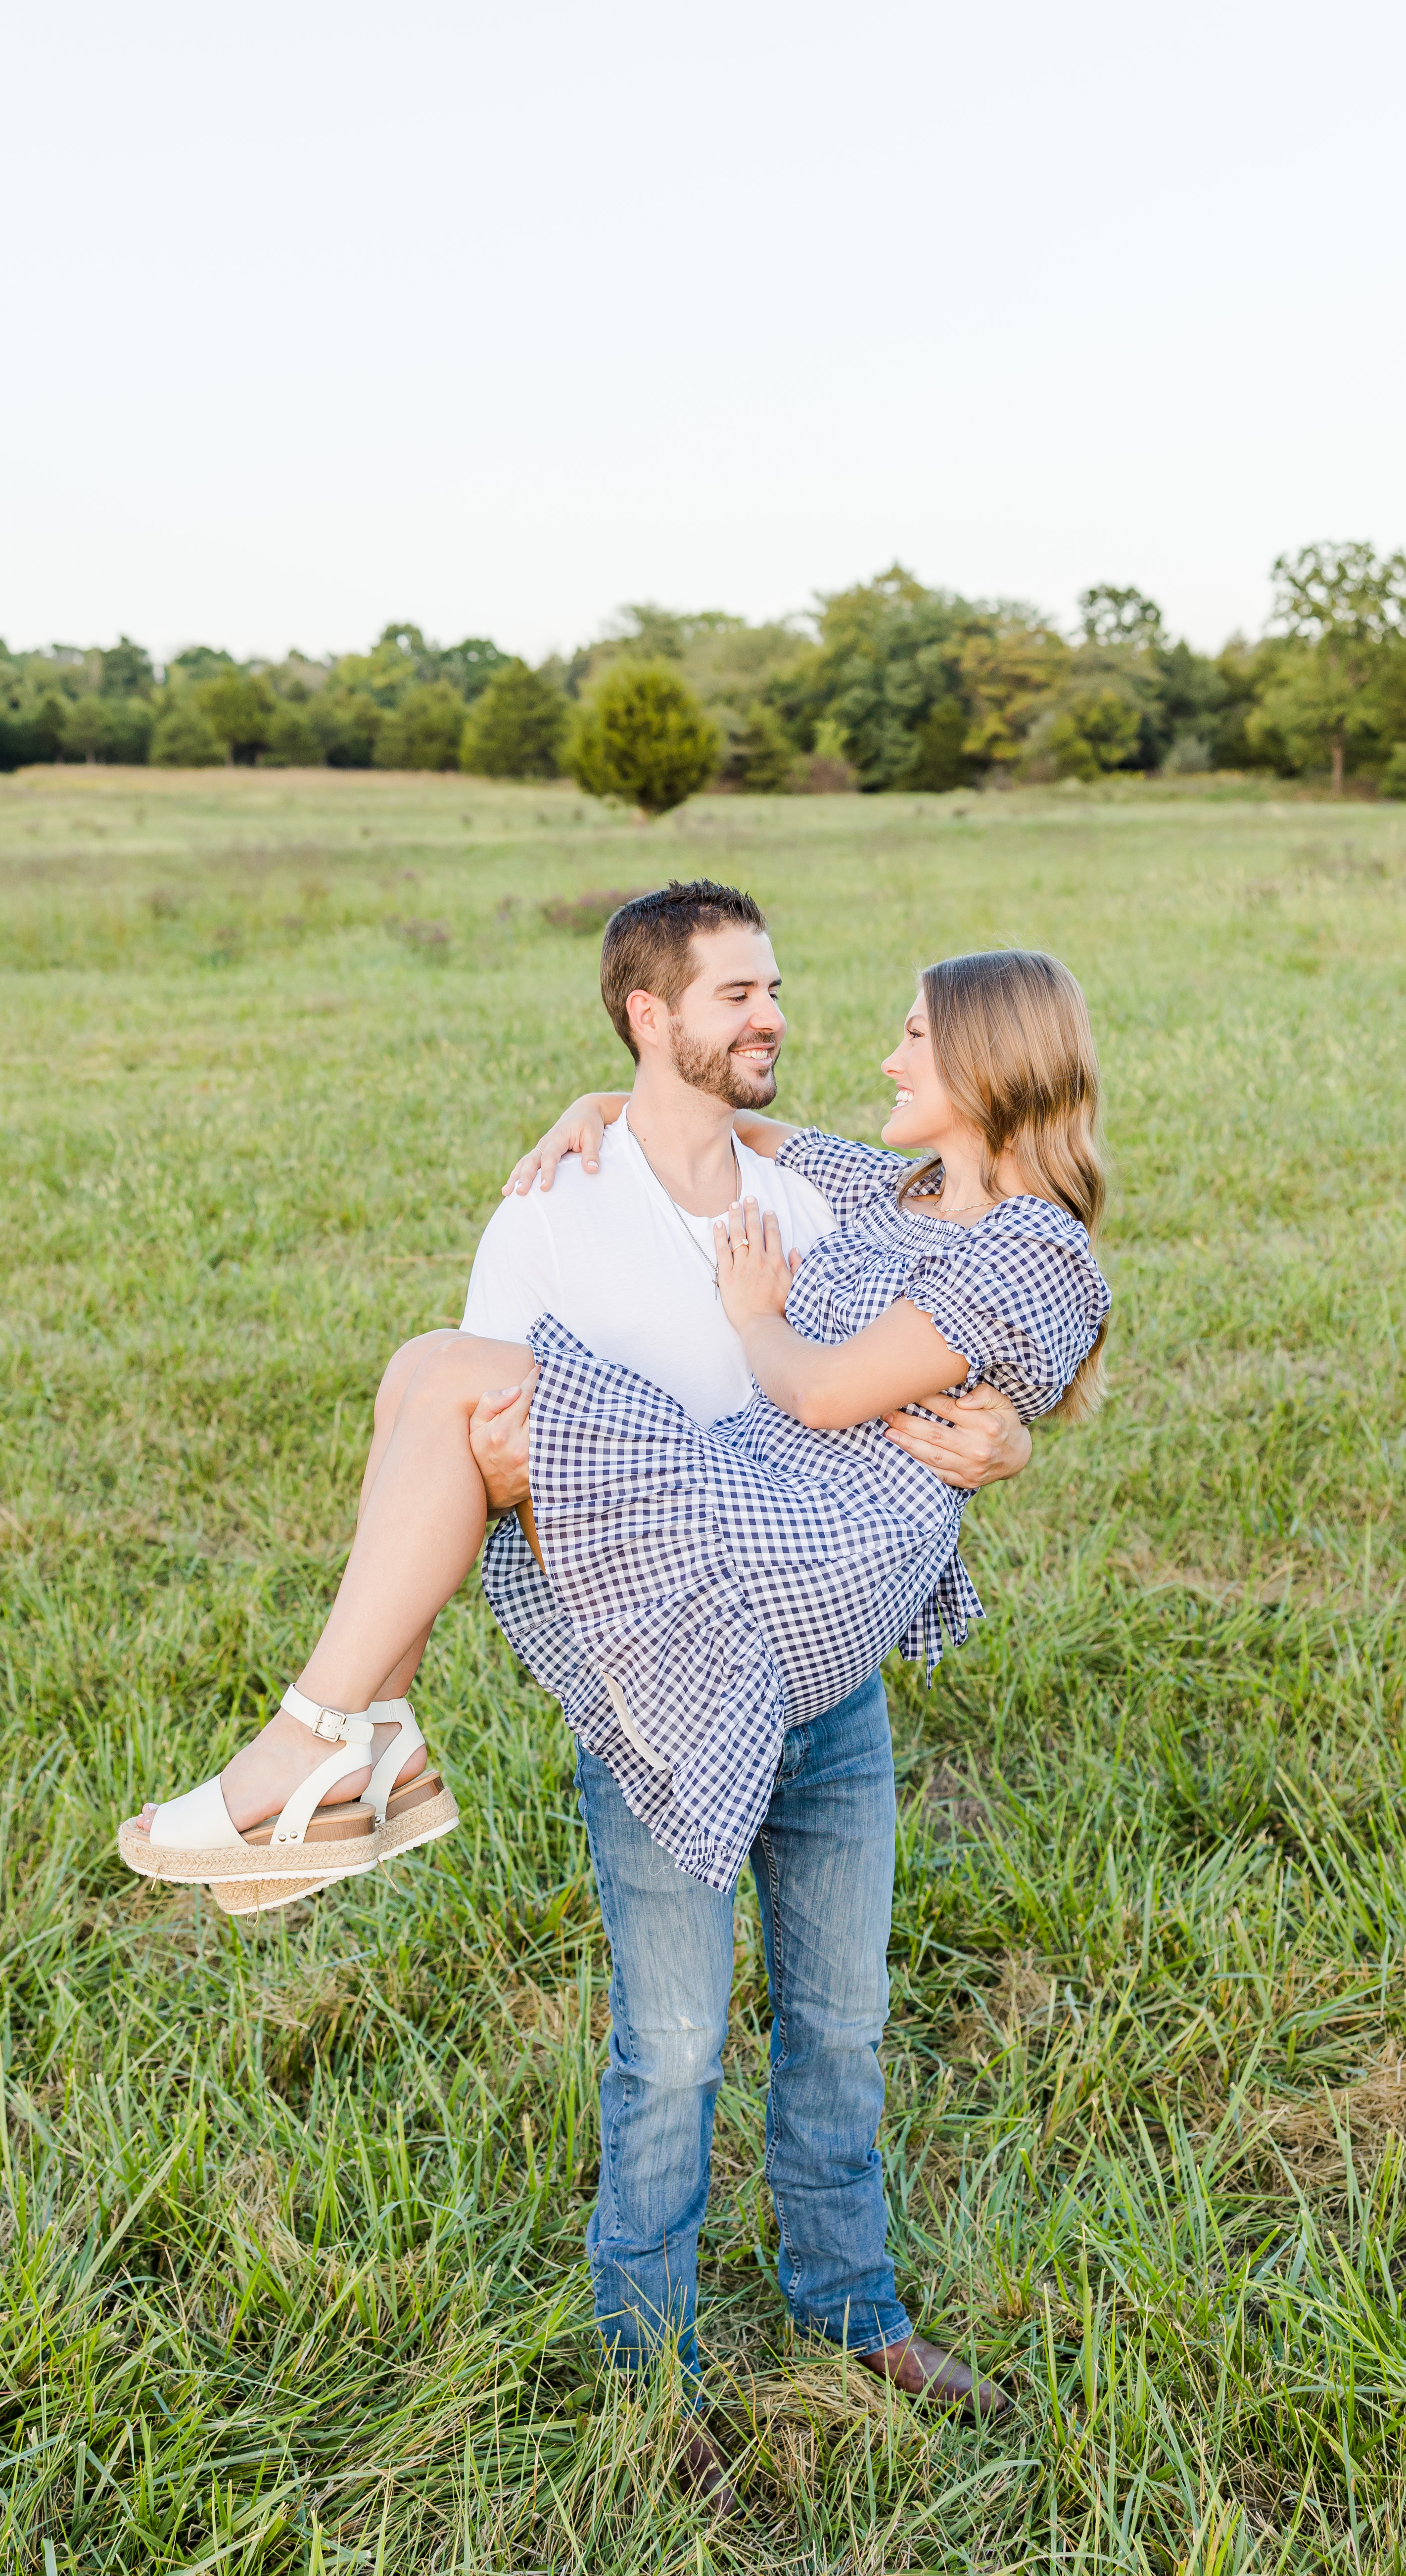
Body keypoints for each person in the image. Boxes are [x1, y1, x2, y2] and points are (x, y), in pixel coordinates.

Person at [119, 881, 1102, 2455]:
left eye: (907, 1027)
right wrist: (605, 1104)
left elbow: (872, 1368)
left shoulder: (960, 1234)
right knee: (676, 2043)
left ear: (993, 1064)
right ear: (655, 1021)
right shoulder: (806, 1194)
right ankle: (651, 2364)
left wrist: (989, 1426)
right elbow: (750, 1166)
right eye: (742, 996)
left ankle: (336, 1747)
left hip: (798, 1608)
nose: (820, 1029)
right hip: (672, 1641)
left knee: (839, 2025)